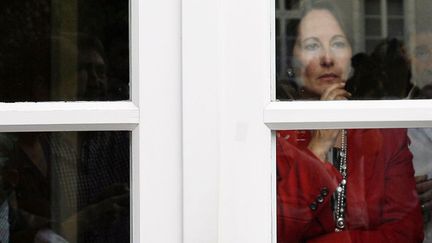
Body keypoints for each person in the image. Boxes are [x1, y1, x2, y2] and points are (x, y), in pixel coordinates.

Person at [276, 1, 424, 242]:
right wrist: (318, 149)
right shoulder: (276, 133)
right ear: (291, 60)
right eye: (312, 45)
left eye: (337, 43)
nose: (327, 58)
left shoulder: (384, 133)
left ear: (350, 57)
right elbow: (272, 229)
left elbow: (406, 233)